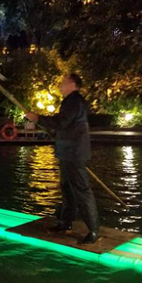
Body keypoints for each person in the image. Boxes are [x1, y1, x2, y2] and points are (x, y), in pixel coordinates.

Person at [25, 74, 100, 245]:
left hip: (74, 153)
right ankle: (65, 223)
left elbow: (61, 122)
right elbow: (65, 124)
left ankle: (94, 230)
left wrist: (38, 118)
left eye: (63, 83)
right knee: (67, 189)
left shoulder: (74, 101)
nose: (60, 86)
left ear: (72, 84)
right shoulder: (71, 102)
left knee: (81, 190)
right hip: (67, 152)